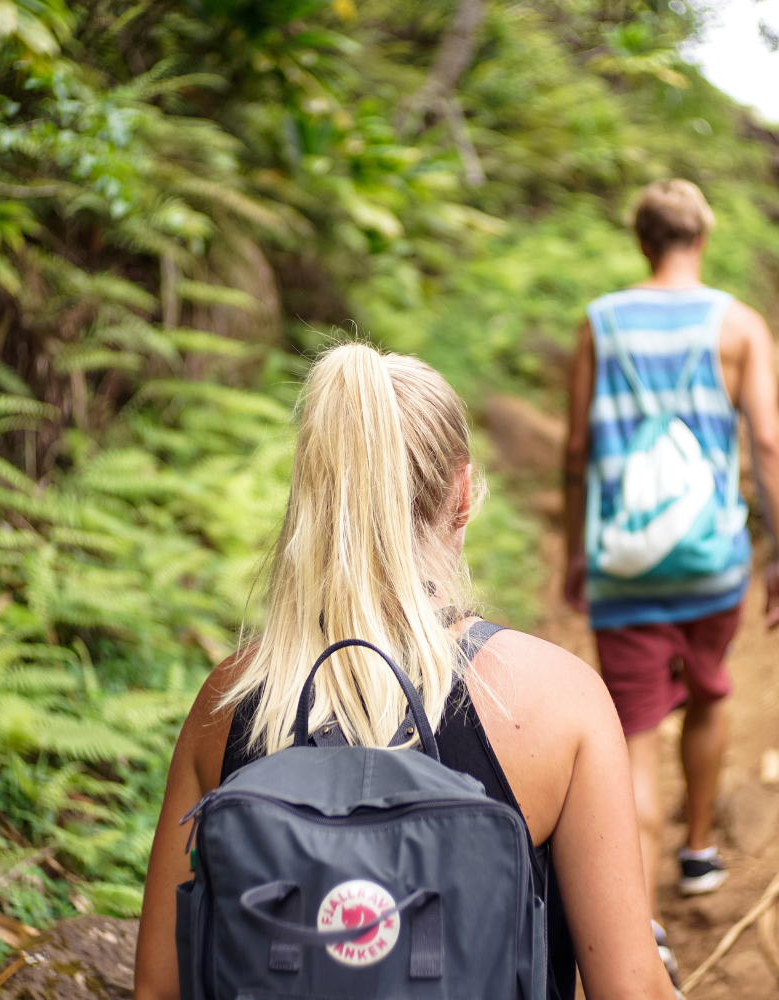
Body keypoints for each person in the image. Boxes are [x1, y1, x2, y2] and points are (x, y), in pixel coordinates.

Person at [136, 343, 674, 1000]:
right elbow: (630, 990)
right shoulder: (556, 701)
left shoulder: (230, 704)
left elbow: (160, 990)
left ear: (313, 494)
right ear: (464, 494)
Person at [563, 179, 779, 980]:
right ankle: (699, 852)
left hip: (624, 564)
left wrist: (573, 556)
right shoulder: (739, 324)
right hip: (714, 561)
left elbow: (578, 451)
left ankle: (640, 918)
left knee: (633, 731)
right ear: (704, 235)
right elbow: (768, 441)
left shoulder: (600, 322)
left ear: (640, 238)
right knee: (711, 692)